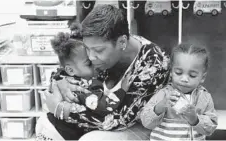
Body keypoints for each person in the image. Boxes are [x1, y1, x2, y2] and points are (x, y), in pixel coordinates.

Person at [36, 4, 170, 140]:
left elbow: (119, 120)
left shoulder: (153, 64)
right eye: (87, 49)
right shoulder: (98, 41)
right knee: (44, 124)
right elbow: (67, 64)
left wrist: (63, 111)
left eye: (98, 51)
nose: (91, 57)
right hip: (96, 113)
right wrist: (60, 82)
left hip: (134, 126)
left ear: (122, 42)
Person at [36, 31, 132, 141]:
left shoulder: (63, 77)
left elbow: (57, 74)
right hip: (57, 133)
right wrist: (122, 90)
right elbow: (104, 106)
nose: (95, 64)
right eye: (89, 63)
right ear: (70, 70)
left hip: (47, 124)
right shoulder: (85, 87)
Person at [140, 43, 218, 140]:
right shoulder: (164, 94)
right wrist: (161, 106)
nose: (184, 79)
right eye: (178, 73)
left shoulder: (205, 98)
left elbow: (210, 128)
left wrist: (195, 119)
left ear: (203, 77)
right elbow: (146, 122)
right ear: (171, 71)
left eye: (192, 75)